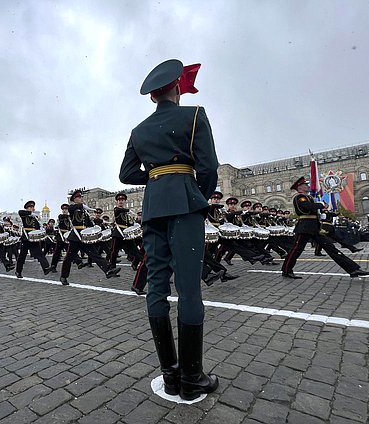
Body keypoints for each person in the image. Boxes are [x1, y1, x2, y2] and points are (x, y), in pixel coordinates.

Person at [119, 59, 219, 401]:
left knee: (156, 286)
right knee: (189, 288)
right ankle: (192, 378)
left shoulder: (139, 131)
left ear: (152, 98)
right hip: (185, 203)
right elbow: (208, 167)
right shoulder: (193, 115)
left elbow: (126, 173)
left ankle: (170, 375)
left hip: (153, 207)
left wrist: (156, 175)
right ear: (178, 88)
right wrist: (192, 194)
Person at [281, 177, 369, 279]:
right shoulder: (299, 197)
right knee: (296, 250)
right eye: (305, 185)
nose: (308, 186)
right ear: (300, 187)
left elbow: (313, 209)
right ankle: (286, 270)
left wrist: (322, 213)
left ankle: (353, 269)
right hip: (305, 227)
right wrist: (320, 205)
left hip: (315, 227)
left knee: (331, 248)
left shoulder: (309, 198)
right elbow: (307, 208)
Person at [60, 190, 121, 285]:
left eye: (81, 197)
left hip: (85, 236)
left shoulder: (85, 212)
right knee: (69, 257)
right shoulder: (72, 208)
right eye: (79, 197)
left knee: (95, 254)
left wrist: (95, 228)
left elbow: (89, 223)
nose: (81, 199)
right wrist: (86, 207)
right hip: (75, 237)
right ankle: (63, 276)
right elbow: (73, 208)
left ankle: (108, 270)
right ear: (74, 199)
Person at [16, 200, 53, 278]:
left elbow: (38, 228)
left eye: (33, 207)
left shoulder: (35, 218)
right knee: (22, 255)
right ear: (27, 208)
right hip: (26, 238)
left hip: (34, 238)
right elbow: (20, 212)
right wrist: (30, 213)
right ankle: (18, 271)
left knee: (39, 253)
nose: (32, 208)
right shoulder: (24, 215)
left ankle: (46, 268)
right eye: (30, 207)